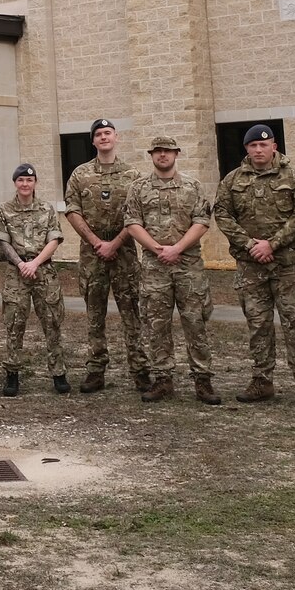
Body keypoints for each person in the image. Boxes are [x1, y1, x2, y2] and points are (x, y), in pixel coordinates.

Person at [214, 124, 295, 407]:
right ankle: (262, 381)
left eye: (264, 145)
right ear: (246, 149)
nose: (258, 150)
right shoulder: (232, 180)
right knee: (258, 325)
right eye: (253, 146)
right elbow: (223, 215)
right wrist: (250, 245)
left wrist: (272, 243)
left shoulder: (293, 177)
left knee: (294, 324)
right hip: (251, 266)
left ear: (274, 146)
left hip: (288, 265)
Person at [122, 136, 221, 405]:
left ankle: (203, 380)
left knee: (195, 323)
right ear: (151, 155)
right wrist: (157, 248)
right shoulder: (138, 188)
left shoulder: (193, 186)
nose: (162, 155)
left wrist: (177, 248)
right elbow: (132, 223)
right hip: (155, 268)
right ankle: (163, 379)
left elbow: (202, 221)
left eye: (167, 151)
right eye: (157, 151)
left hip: (188, 266)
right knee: (156, 325)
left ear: (177, 153)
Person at [62, 119, 150, 394]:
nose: (103, 137)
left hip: (124, 252)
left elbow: (137, 215)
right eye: (98, 134)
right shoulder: (80, 174)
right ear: (93, 141)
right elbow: (72, 210)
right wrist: (97, 242)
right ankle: (95, 370)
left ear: (116, 137)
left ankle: (140, 371)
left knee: (131, 314)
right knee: (94, 314)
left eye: (107, 133)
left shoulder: (134, 175)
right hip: (92, 254)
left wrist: (115, 243)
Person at [0, 163, 68, 396]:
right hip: (17, 272)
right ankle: (12, 375)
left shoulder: (46, 208)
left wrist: (34, 263)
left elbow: (54, 239)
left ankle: (59, 374)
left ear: (35, 183)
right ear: (15, 183)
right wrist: (21, 264)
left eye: (29, 180)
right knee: (14, 323)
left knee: (52, 322)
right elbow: (3, 242)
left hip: (43, 270)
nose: (25, 184)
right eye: (21, 180)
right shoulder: (4, 210)